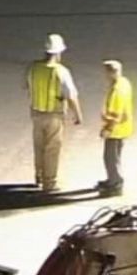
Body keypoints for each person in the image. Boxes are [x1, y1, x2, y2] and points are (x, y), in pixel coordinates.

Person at [26, 33, 83, 191]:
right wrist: (78, 115)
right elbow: (71, 95)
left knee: (39, 146)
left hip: (36, 113)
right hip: (54, 115)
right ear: (58, 52)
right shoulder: (61, 71)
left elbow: (27, 86)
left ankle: (38, 176)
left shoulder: (33, 68)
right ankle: (49, 182)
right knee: (52, 148)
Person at [97, 59, 133, 196]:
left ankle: (115, 184)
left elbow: (115, 115)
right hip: (124, 128)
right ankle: (112, 180)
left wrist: (107, 129)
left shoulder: (117, 91)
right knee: (116, 157)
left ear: (111, 73)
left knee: (110, 158)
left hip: (116, 130)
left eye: (106, 72)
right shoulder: (125, 83)